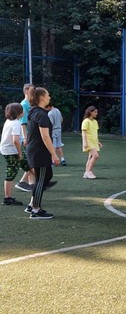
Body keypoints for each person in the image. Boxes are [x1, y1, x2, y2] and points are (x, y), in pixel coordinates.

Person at [26, 87, 60, 219]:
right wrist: (54, 154)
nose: (49, 97)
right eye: (48, 95)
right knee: (41, 179)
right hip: (39, 151)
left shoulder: (34, 111)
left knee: (46, 176)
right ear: (41, 98)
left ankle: (32, 205)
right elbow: (45, 137)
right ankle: (35, 210)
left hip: (34, 150)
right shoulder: (41, 114)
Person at [1, 103, 28, 206]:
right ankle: (7, 198)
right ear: (18, 113)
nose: (23, 111)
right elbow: (15, 140)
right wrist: (19, 153)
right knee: (11, 172)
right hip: (11, 151)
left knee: (28, 164)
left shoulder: (9, 121)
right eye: (22, 110)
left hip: (7, 150)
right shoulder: (16, 123)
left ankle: (41, 182)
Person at [15, 83, 35, 192]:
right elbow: (23, 123)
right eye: (32, 90)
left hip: (30, 136)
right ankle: (22, 181)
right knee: (32, 161)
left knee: (31, 160)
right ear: (27, 91)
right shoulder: (24, 104)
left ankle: (31, 184)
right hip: (28, 137)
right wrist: (25, 138)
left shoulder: (29, 103)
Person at [81, 106, 102, 179]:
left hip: (94, 142)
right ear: (90, 112)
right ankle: (89, 171)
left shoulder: (95, 122)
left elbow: (95, 133)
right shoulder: (86, 121)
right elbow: (84, 132)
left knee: (90, 157)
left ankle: (86, 172)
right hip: (88, 141)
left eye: (96, 112)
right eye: (95, 112)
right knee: (95, 156)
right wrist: (85, 142)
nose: (96, 113)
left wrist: (98, 142)